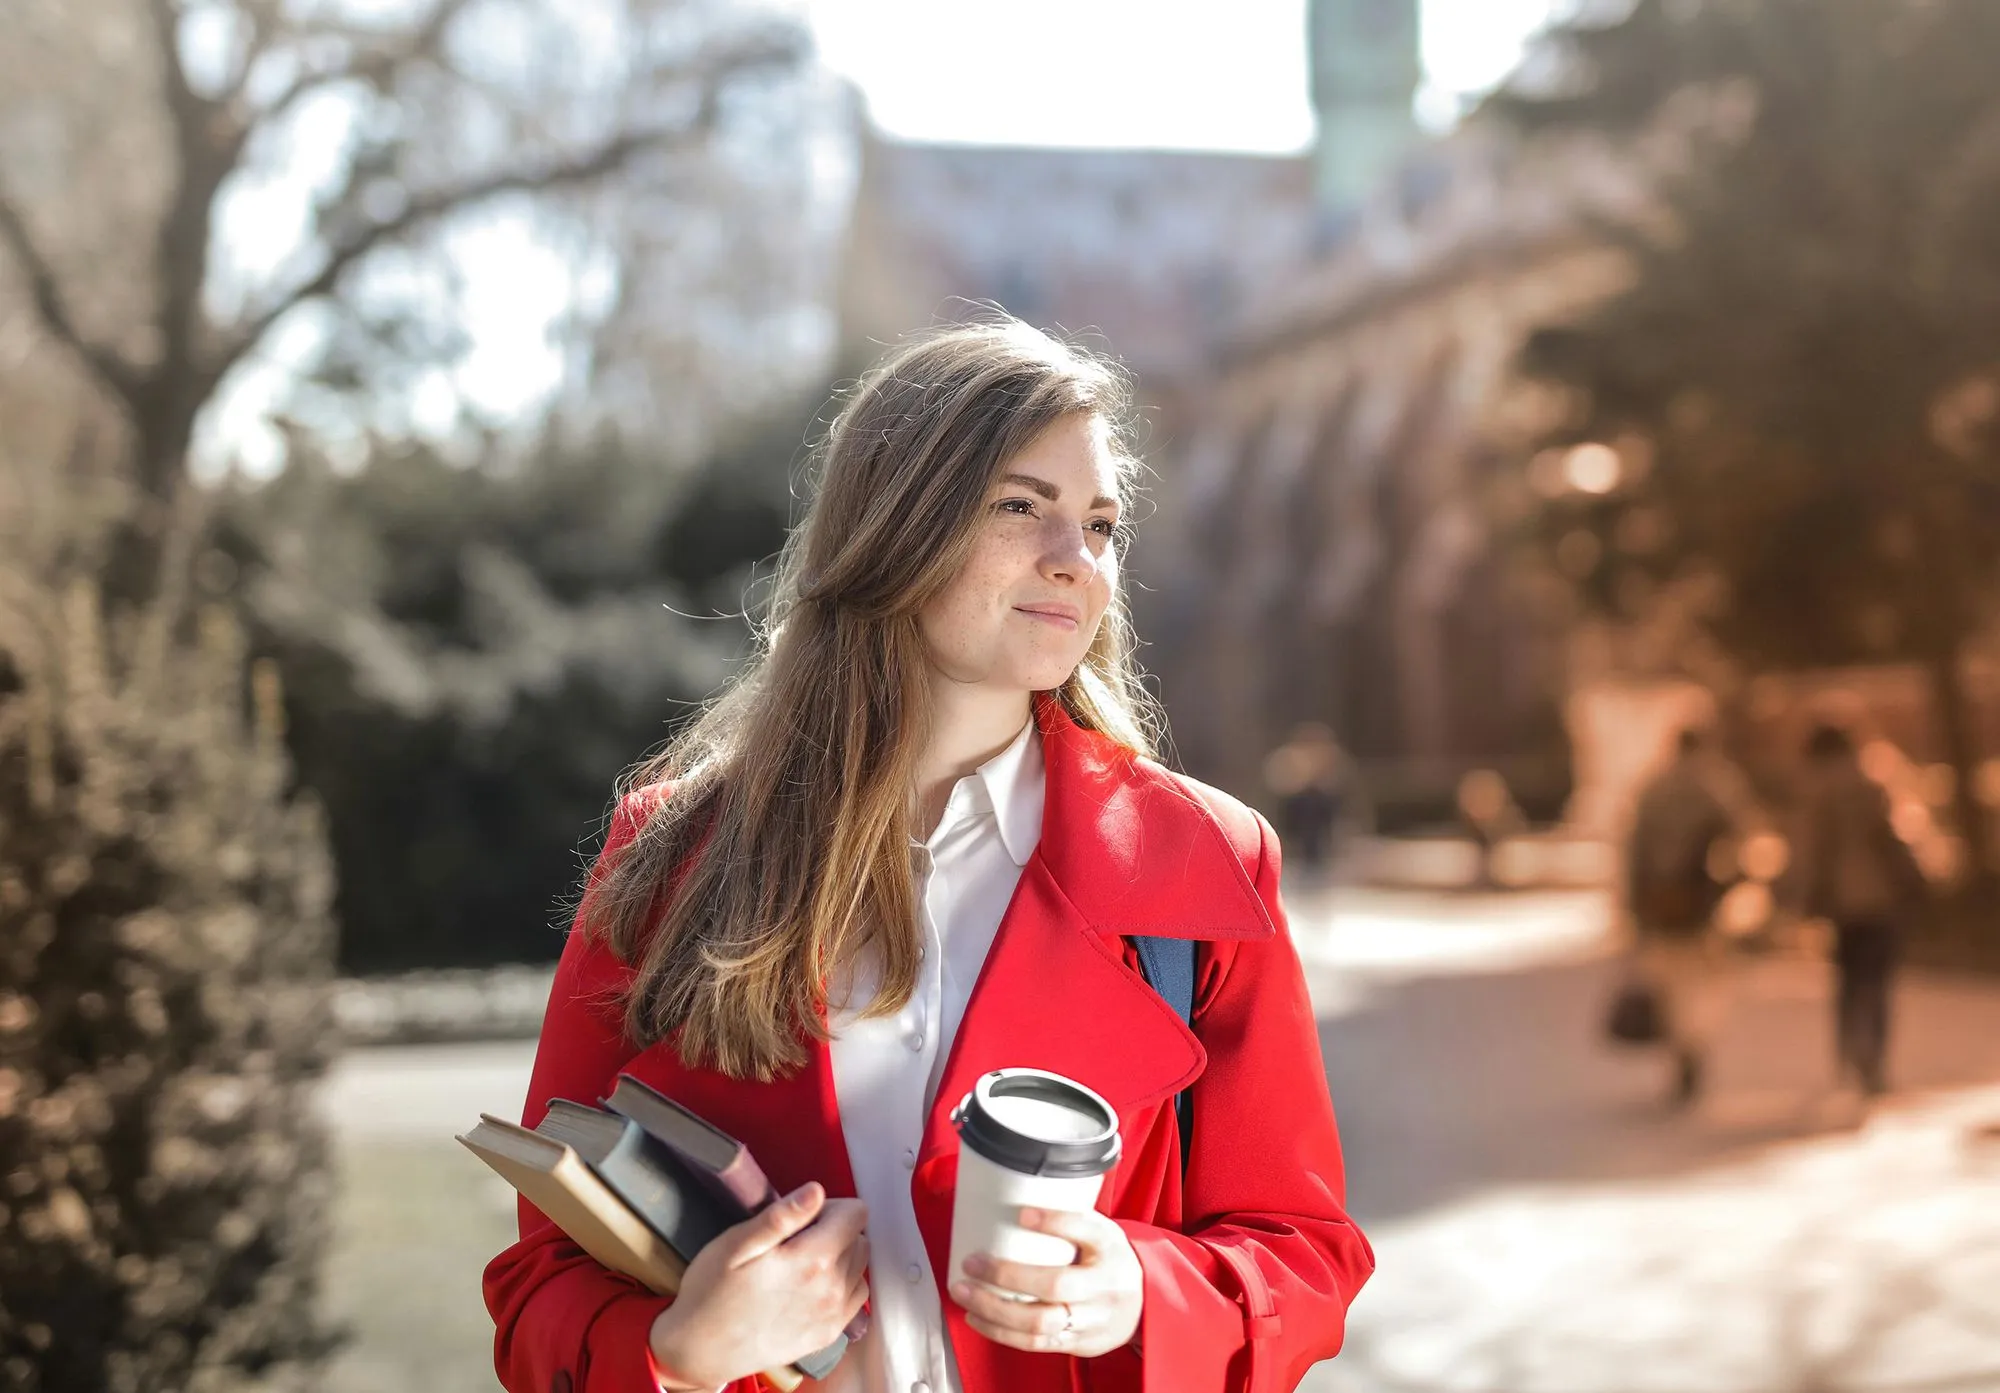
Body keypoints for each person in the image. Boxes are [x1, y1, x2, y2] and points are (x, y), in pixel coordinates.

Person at [482, 320, 1374, 1393]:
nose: (1074, 559)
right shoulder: (668, 857)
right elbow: (540, 1278)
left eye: (1099, 523)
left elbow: (1303, 1253)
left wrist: (1141, 1291)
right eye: (1019, 506)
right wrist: (677, 1354)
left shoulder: (1205, 864)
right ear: (893, 527)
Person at [1785, 723, 1927, 1097]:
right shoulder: (1873, 782)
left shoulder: (1814, 794)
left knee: (1848, 982)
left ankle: (1849, 1055)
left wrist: (1807, 899)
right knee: (1878, 981)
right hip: (1880, 899)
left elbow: (1811, 855)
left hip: (1841, 904)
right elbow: (1896, 840)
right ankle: (1874, 1059)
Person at [1623, 726, 1741, 1107]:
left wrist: (1633, 905)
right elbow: (1740, 838)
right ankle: (1693, 1047)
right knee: (1699, 981)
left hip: (1658, 903)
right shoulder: (1715, 787)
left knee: (1669, 982)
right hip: (1700, 902)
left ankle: (1680, 1049)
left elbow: (1634, 850)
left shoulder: (1653, 790)